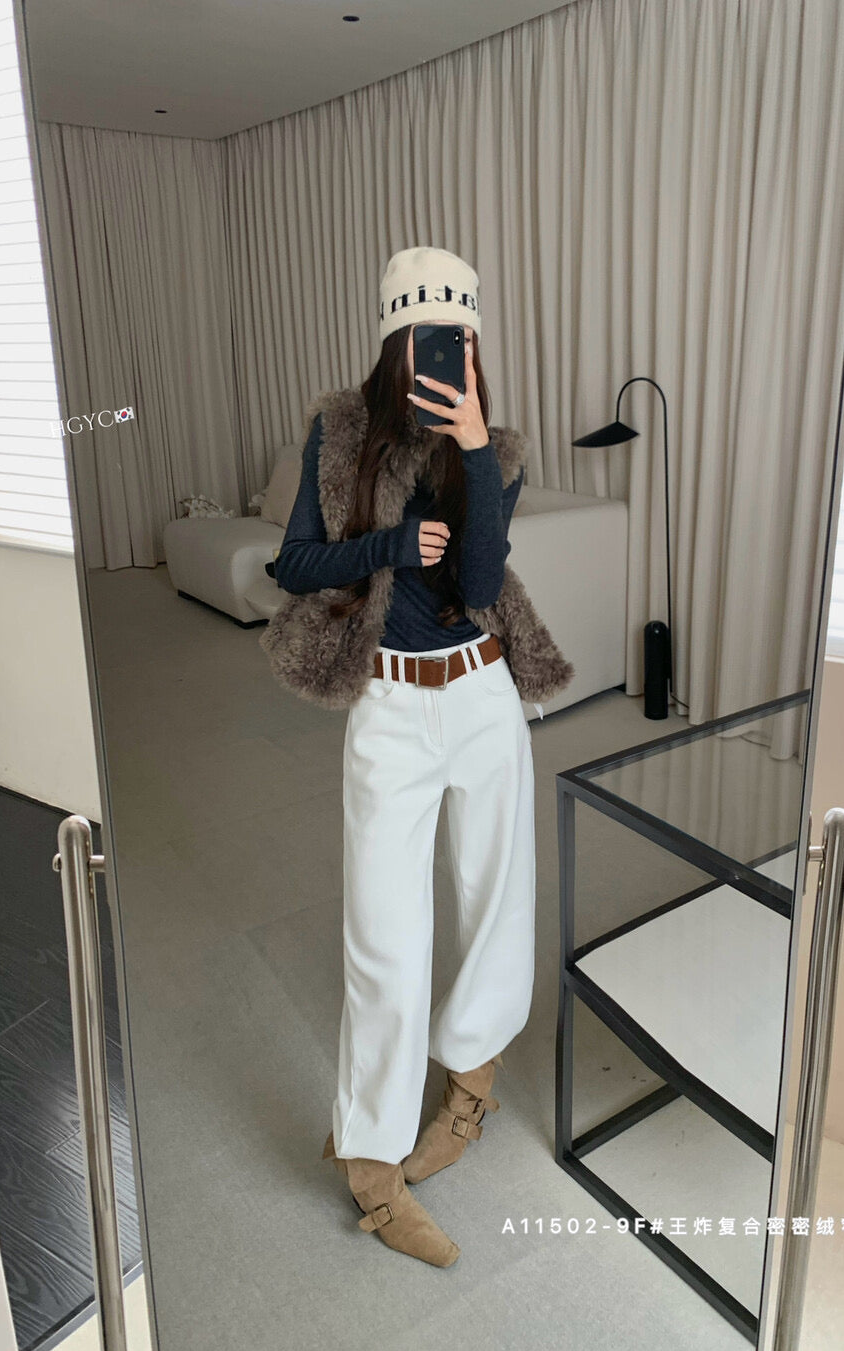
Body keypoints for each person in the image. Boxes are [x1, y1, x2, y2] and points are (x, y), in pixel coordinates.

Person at [265, 246, 573, 1268]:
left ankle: (468, 1092)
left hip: (482, 696)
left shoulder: (497, 451)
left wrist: (475, 450)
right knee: (383, 940)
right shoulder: (339, 431)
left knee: (497, 905)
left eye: (467, 341)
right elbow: (293, 562)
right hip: (391, 706)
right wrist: (388, 547)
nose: (454, 358)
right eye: (436, 341)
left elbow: (481, 583)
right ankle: (372, 1167)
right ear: (397, 340)